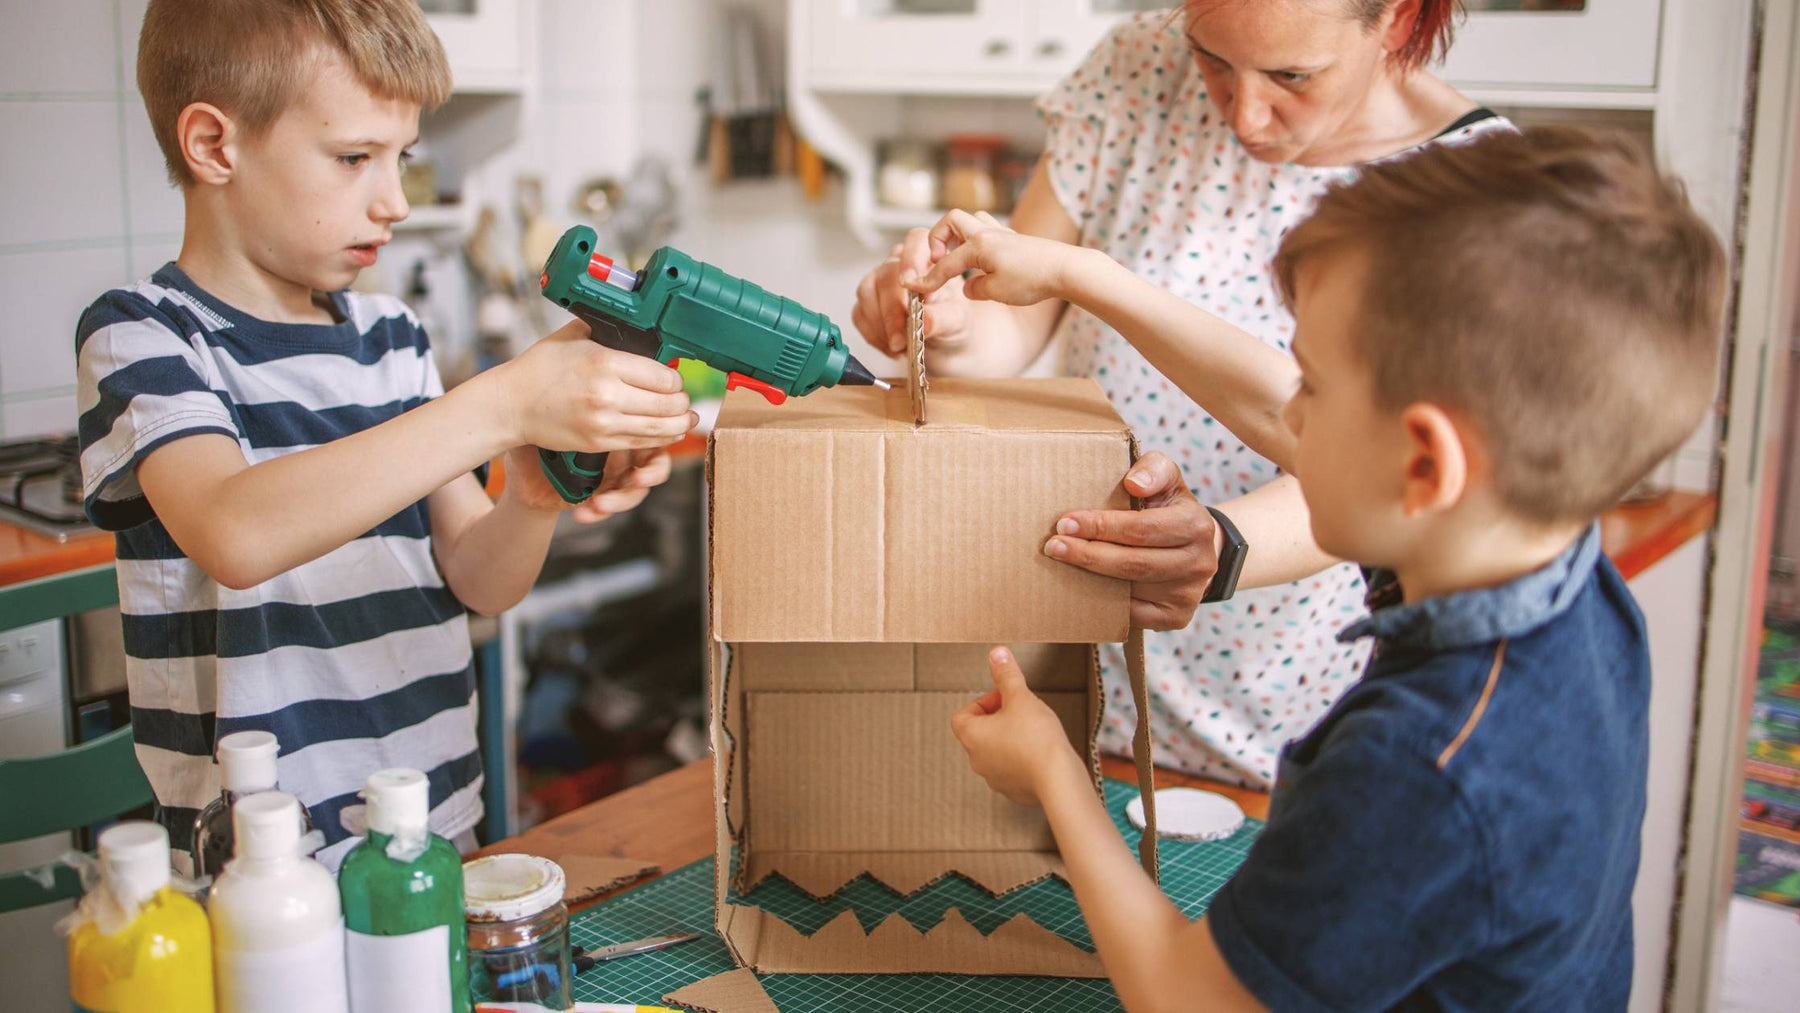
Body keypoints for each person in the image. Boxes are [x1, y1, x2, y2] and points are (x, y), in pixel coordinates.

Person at [948, 127, 1725, 1009]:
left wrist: (1053, 771)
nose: (1291, 412)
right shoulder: (1570, 579)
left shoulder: (1420, 767)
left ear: (1424, 463)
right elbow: (1275, 406)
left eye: (1313, 384)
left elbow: (1186, 995)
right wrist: (1075, 272)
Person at [76, 0, 695, 868]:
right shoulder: (146, 337)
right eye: (353, 158)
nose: (397, 200)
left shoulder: (389, 336)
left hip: (436, 827)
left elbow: (479, 580)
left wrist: (530, 495)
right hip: (262, 871)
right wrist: (502, 401)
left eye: (401, 158)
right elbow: (236, 530)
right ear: (216, 146)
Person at [856, 0, 1510, 787]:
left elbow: (1382, 479)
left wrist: (1220, 546)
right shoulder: (1137, 67)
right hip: (1086, 691)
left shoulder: (1473, 191)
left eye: (1292, 75)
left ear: (1400, 20)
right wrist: (952, 322)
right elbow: (1018, 326)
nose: (1245, 114)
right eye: (1212, 59)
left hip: (1288, 725)